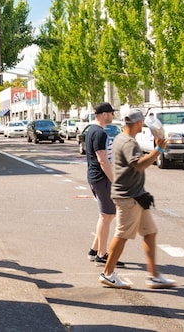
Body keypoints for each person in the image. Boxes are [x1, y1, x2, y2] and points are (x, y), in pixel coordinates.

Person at [99, 109, 177, 290]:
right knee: (122, 235)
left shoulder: (121, 137)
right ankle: (108, 274)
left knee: (150, 232)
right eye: (142, 122)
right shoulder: (129, 143)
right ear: (138, 123)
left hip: (136, 196)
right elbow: (139, 165)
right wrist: (158, 149)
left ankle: (154, 276)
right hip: (128, 197)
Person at [85, 102, 116, 264]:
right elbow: (102, 159)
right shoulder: (99, 133)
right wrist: (114, 180)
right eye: (111, 113)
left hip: (96, 177)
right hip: (101, 178)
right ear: (104, 114)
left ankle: (94, 250)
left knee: (107, 215)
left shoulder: (93, 130)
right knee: (107, 215)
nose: (112, 116)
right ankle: (102, 255)